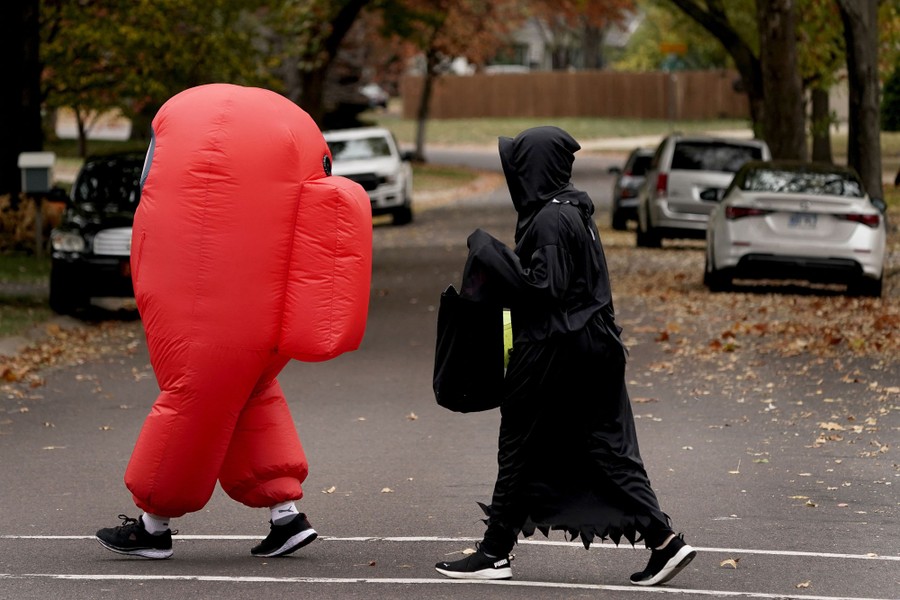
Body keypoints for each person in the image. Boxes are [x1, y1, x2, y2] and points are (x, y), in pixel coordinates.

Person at [95, 84, 372, 559]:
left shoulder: (200, 134)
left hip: (213, 316)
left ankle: (153, 524)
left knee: (193, 397)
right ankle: (286, 515)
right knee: (250, 392)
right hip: (262, 320)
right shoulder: (292, 133)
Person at [434, 126, 696, 586]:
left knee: (519, 446)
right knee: (601, 449)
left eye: (519, 166)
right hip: (591, 347)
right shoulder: (573, 212)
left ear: (534, 169)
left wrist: (490, 252)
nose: (515, 175)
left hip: (557, 349)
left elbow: (545, 289)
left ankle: (495, 554)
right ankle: (664, 541)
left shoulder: (552, 220)